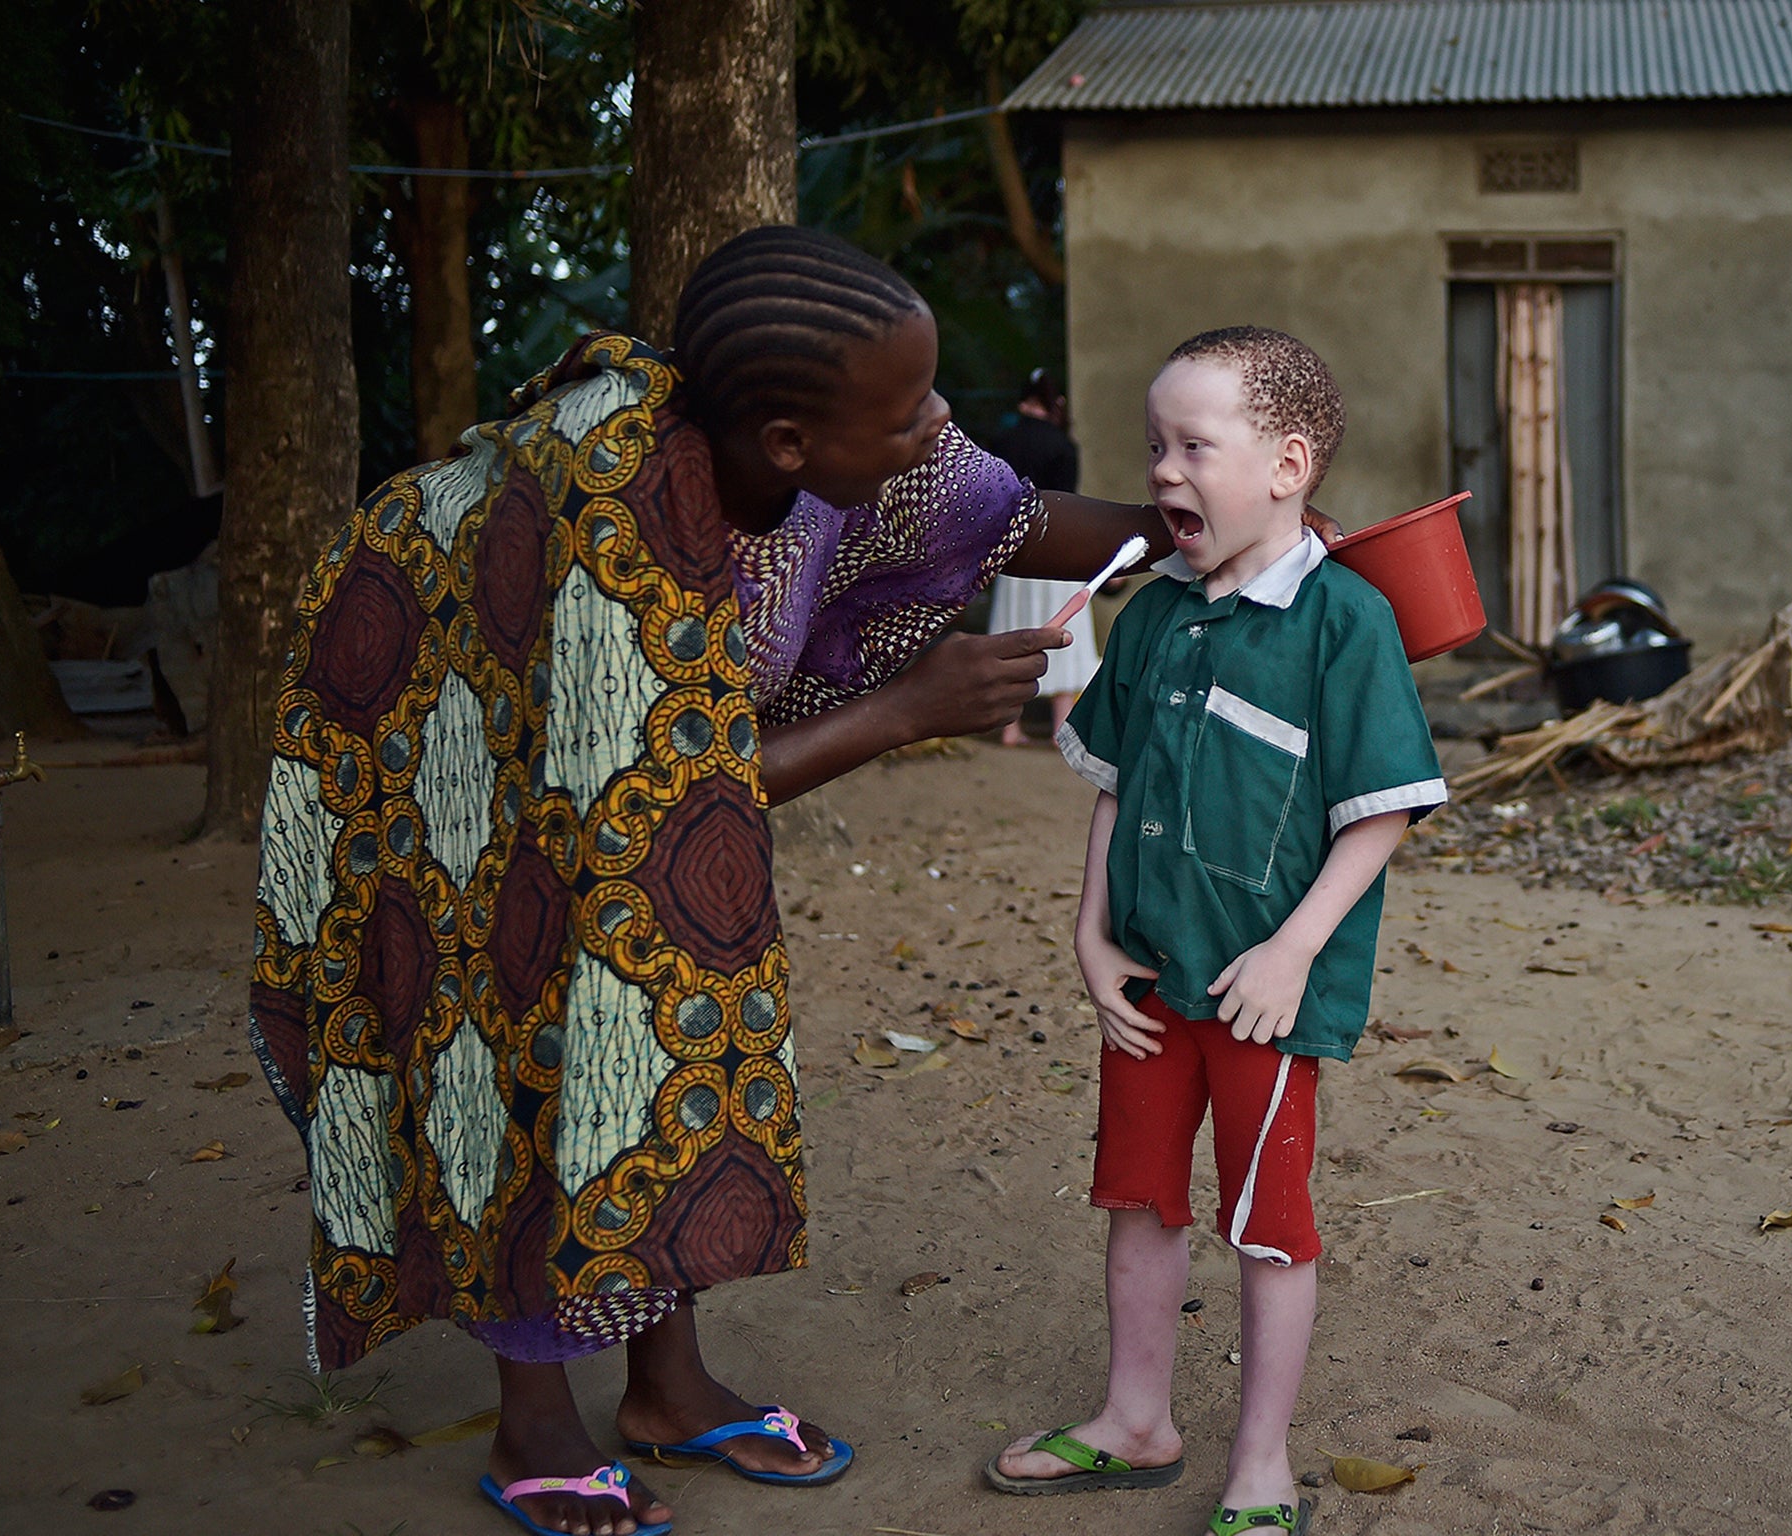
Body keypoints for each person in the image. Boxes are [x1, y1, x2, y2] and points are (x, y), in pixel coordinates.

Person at [249, 225, 1182, 1536]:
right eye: (909, 408)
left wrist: (1197, 526)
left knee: (667, 1013)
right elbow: (641, 800)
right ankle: (534, 1419)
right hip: (447, 738)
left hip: (629, 765)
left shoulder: (816, 453)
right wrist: (904, 713)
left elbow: (1006, 516)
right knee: (522, 1034)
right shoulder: (612, 514)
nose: (939, 425)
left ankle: (669, 1391)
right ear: (795, 445)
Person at [985, 327, 1447, 1535]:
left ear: (1287, 463)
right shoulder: (1148, 619)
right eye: (1154, 446)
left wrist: (1292, 951)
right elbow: (1111, 788)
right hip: (1144, 982)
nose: (1163, 471)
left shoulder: (1342, 623)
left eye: (1195, 445)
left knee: (1265, 1226)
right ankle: (1134, 1418)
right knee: (1137, 1202)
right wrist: (1088, 937)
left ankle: (1262, 1463)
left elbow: (1382, 814)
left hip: (1262, 995)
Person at [984, 369, 1098, 746]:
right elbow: (1069, 504)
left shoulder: (1001, 441)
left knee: (1013, 628)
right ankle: (1059, 725)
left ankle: (1010, 727)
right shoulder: (1063, 446)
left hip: (1012, 553)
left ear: (1023, 401)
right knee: (1064, 628)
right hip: (1057, 552)